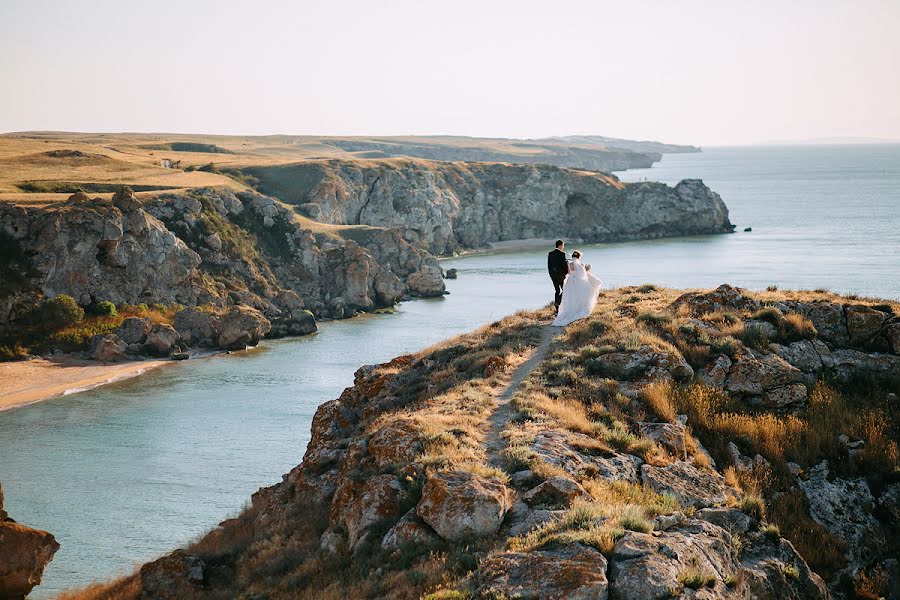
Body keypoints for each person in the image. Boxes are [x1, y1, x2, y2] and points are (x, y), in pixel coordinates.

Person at [552, 250, 602, 326]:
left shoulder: (569, 264)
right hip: (579, 281)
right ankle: (579, 309)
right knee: (581, 295)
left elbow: (569, 273)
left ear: (572, 257)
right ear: (579, 257)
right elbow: (584, 275)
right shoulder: (581, 264)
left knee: (571, 298)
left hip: (571, 282)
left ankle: (571, 311)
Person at [547, 240, 568, 313]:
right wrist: (566, 273)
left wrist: (551, 275)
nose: (563, 247)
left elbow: (549, 266)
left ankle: (557, 308)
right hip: (561, 275)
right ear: (560, 246)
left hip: (553, 276)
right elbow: (564, 266)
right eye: (563, 245)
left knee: (557, 290)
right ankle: (558, 302)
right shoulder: (562, 254)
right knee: (565, 289)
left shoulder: (550, 253)